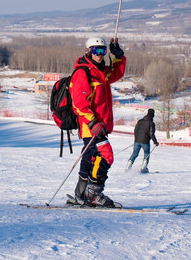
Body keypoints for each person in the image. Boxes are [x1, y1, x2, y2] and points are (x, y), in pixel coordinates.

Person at [67, 36, 126, 208]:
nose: (99, 55)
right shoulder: (83, 73)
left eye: (102, 51)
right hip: (90, 125)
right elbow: (79, 103)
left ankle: (81, 194)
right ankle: (93, 193)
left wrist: (119, 57)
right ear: (88, 51)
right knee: (106, 155)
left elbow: (117, 72)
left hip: (100, 125)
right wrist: (92, 123)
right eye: (95, 51)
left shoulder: (101, 72)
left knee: (90, 158)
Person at [126, 108, 159, 173]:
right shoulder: (151, 123)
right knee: (146, 154)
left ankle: (128, 167)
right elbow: (151, 133)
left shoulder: (140, 121)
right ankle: (143, 168)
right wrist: (155, 142)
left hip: (137, 141)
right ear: (152, 115)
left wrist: (136, 139)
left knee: (135, 153)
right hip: (145, 142)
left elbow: (135, 131)